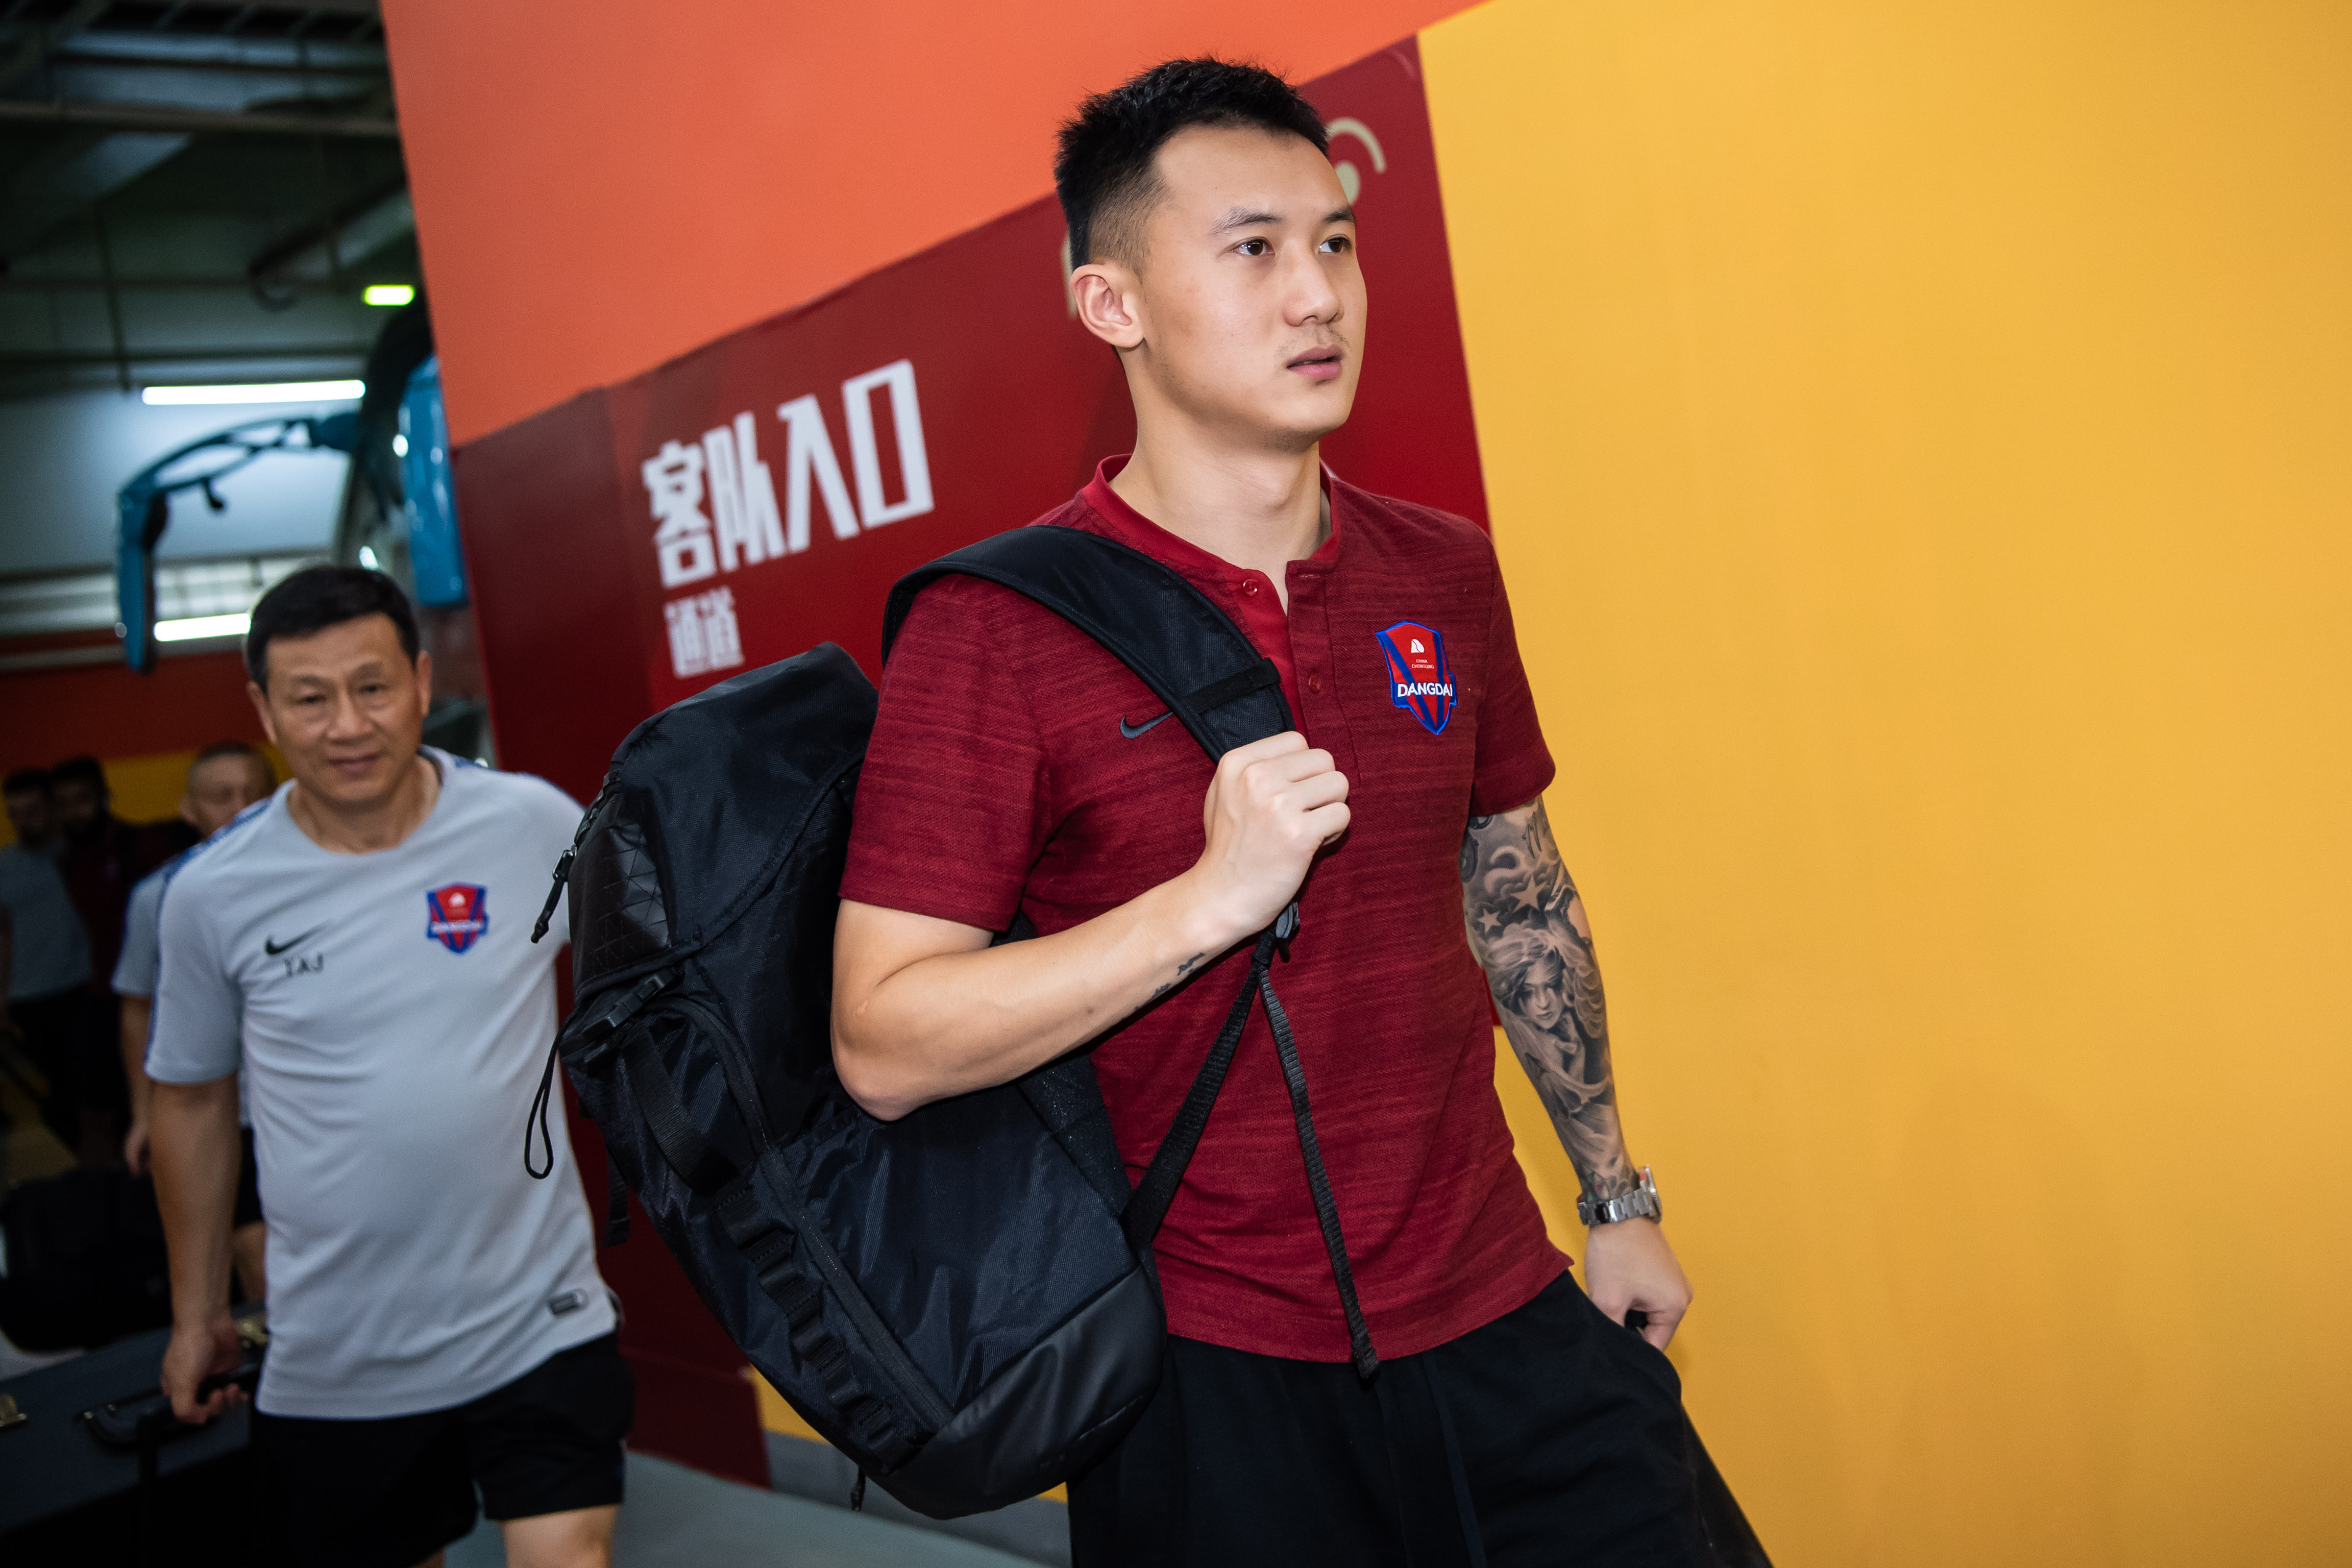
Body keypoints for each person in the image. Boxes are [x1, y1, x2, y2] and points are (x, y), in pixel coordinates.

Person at [833, 60, 1703, 1566]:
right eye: (1252, 248)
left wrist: (1615, 1197)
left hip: (1506, 1311)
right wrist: (1203, 902)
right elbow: (883, 1041)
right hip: (1210, 1376)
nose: (1318, 294)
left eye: (1336, 242)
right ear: (1111, 302)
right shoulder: (998, 628)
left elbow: (1518, 895)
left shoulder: (1441, 570)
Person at [147, 567, 629, 1568]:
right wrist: (197, 1316)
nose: (347, 725)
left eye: (371, 687)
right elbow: (190, 1103)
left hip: (540, 1314)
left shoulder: (531, 823)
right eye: (310, 699)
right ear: (264, 712)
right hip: (342, 1355)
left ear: (419, 681)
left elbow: (649, 977)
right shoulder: (212, 896)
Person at [115, 741, 279, 1302]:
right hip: (224, 1113)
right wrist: (144, 1113)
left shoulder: (323, 878)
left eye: (254, 792)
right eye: (221, 796)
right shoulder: (159, 897)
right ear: (189, 808)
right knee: (259, 1262)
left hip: (315, 1106)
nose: (240, 807)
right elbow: (137, 1008)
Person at [50, 755, 183, 1163]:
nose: (75, 812)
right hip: (103, 992)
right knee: (89, 1105)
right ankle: (109, 1190)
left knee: (165, 1102)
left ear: (104, 798)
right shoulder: (68, 859)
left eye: (83, 800)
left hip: (159, 995)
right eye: (65, 803)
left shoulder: (142, 847)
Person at [0, 767, 109, 1160]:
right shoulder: (5, 865)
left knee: (95, 1091)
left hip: (84, 988)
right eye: (14, 813)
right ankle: (91, 1169)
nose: (23, 822)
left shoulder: (80, 853)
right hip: (29, 998)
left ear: (52, 808)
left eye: (32, 811)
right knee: (59, 1095)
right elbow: (2, 936)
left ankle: (110, 1166)